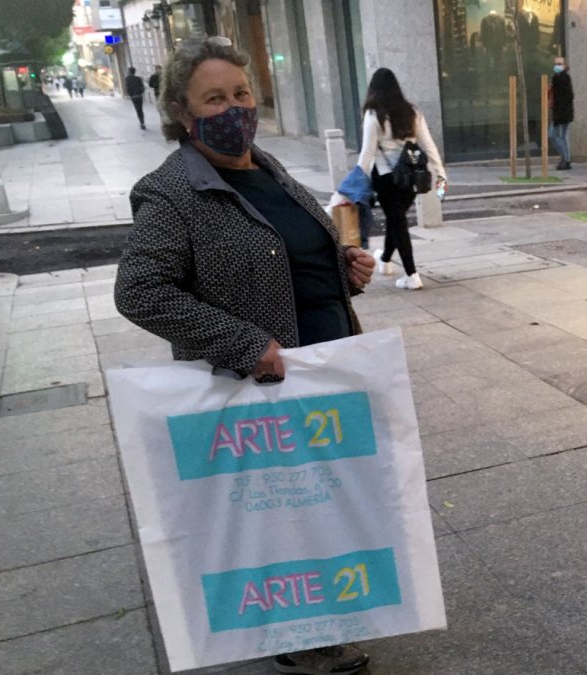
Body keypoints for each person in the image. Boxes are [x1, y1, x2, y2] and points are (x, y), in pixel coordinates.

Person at [114, 37, 375, 675]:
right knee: (282, 510)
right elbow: (139, 291)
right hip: (258, 383)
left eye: (241, 93)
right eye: (215, 98)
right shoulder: (170, 192)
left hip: (321, 365)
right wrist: (246, 343)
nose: (234, 108)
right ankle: (298, 637)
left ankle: (332, 609)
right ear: (183, 110)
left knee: (323, 501)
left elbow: (285, 254)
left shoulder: (267, 166)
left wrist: (345, 267)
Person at [355, 67, 446, 291]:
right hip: (410, 178)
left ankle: (411, 274)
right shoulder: (411, 111)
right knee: (396, 219)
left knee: (398, 222)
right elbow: (427, 144)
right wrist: (439, 171)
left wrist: (355, 181)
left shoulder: (373, 114)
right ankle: (385, 259)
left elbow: (367, 152)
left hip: (385, 177)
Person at [549, 56, 574, 171]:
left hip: (562, 113)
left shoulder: (563, 78)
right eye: (556, 64)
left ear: (564, 65)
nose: (557, 66)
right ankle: (565, 159)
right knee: (562, 136)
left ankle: (565, 158)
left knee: (553, 134)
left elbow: (569, 96)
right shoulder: (557, 77)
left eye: (559, 64)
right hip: (561, 112)